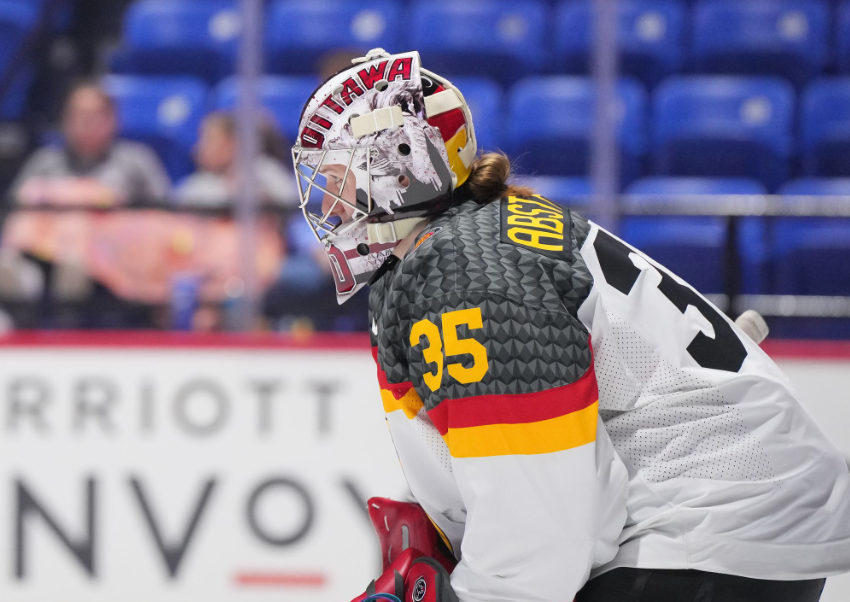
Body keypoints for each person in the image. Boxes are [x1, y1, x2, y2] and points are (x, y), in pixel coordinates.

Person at [291, 49, 850, 602]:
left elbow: (542, 535)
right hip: (734, 532)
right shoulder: (478, 239)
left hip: (704, 539)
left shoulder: (463, 275)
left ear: (403, 168)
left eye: (339, 181)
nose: (330, 208)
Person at [12, 81, 170, 206]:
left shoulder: (137, 160)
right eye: (78, 115)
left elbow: (166, 212)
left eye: (94, 116)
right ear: (64, 121)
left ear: (113, 120)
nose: (86, 123)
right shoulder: (44, 162)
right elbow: (14, 213)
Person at [173, 111, 297, 208]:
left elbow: (290, 214)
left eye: (209, 140)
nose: (197, 149)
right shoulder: (197, 184)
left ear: (233, 143)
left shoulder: (266, 172)